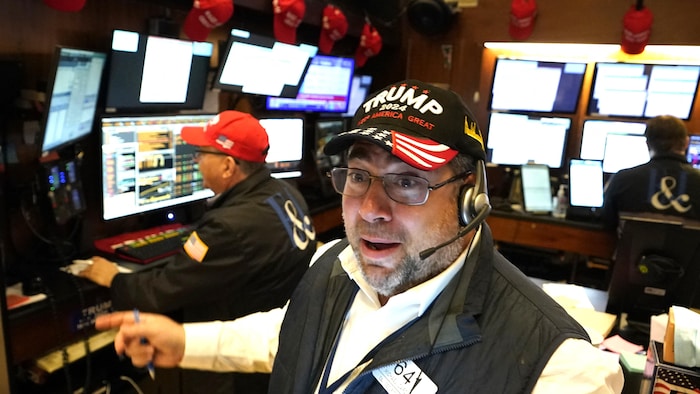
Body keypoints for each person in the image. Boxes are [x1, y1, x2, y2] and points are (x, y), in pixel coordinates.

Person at [95, 80, 623, 393]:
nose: (371, 209)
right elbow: (292, 333)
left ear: (471, 198)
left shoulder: (559, 367)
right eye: (358, 175)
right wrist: (186, 340)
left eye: (408, 180)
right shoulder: (334, 265)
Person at [81, 111, 317, 393]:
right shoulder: (286, 190)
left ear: (228, 166)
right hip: (281, 345)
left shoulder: (228, 228)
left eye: (201, 154)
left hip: (238, 369)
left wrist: (113, 279)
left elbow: (162, 291)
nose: (195, 161)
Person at [601, 114, 700, 233]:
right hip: (688, 252)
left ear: (647, 144)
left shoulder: (622, 179)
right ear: (686, 143)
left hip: (632, 251)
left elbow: (607, 224)